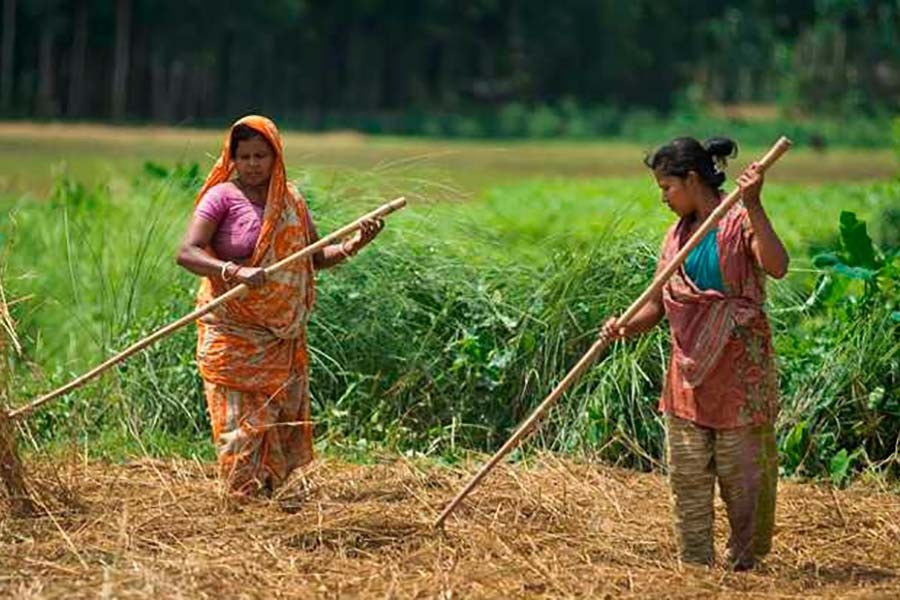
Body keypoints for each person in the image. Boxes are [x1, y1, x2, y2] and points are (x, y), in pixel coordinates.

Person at [602, 136, 789, 570]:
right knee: (687, 478)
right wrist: (624, 326)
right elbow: (657, 302)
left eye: (667, 188)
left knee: (743, 478)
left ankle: (745, 564)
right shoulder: (676, 236)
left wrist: (755, 204)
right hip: (687, 375)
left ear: (691, 179)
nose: (664, 199)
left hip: (738, 372)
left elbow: (777, 266)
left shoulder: (739, 220)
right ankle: (696, 569)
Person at [176, 115, 384, 497]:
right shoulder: (220, 197)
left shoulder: (291, 201)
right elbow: (186, 253)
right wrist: (232, 271)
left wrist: (355, 243)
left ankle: (269, 499)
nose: (253, 164)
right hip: (232, 331)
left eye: (261, 156)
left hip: (279, 337)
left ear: (276, 158)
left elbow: (316, 257)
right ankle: (241, 501)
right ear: (232, 158)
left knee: (274, 422)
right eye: (245, 156)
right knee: (239, 428)